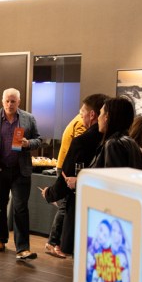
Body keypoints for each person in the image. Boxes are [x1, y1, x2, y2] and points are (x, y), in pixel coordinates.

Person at [53, 96, 142, 282]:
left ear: (109, 117)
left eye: (103, 113)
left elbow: (111, 185)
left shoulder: (113, 144)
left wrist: (80, 181)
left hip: (108, 221)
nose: (99, 118)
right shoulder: (129, 143)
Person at [42, 94, 108, 257]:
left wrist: (50, 193)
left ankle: (54, 243)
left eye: (81, 113)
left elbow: (68, 174)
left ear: (92, 115)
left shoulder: (85, 140)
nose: (80, 117)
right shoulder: (110, 139)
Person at [0, 88, 42, 260]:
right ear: (2, 101)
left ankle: (22, 248)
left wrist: (28, 143)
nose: (10, 104)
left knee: (20, 207)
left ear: (19, 102)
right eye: (7, 101)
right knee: (0, 205)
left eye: (13, 101)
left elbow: (39, 140)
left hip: (20, 170)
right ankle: (0, 239)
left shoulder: (28, 118)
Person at [45, 113, 86, 257]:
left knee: (65, 205)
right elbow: (81, 147)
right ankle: (53, 242)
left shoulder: (77, 119)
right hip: (67, 169)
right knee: (65, 206)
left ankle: (55, 242)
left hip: (64, 166)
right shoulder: (81, 123)